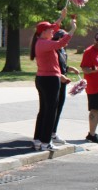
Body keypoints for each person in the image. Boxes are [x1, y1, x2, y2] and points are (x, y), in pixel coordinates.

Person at [29, 11, 75, 150]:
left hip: (43, 79)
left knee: (44, 110)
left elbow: (55, 27)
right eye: (49, 29)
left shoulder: (40, 41)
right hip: (49, 80)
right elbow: (62, 42)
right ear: (43, 32)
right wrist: (72, 29)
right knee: (50, 111)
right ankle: (46, 142)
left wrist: (61, 17)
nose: (53, 31)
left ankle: (38, 139)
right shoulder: (45, 43)